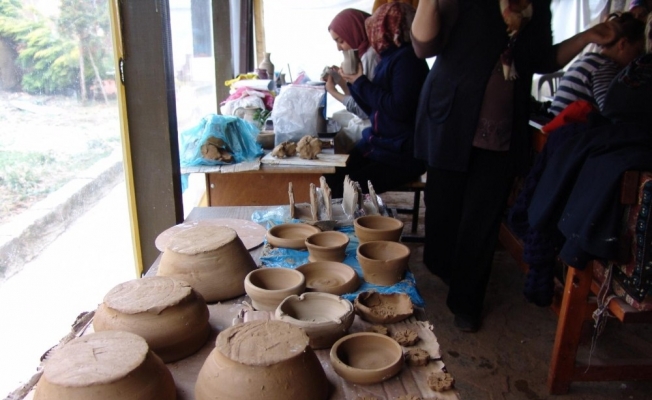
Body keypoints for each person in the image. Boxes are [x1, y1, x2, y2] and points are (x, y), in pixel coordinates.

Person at [411, 0, 617, 332]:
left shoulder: (535, 3)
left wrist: (588, 36)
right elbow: (423, 47)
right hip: (450, 121)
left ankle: (467, 303)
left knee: (482, 221)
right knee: (442, 217)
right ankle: (446, 269)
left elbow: (542, 59)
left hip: (503, 131)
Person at [325, 2, 428, 198]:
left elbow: (399, 108)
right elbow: (372, 110)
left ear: (389, 29)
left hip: (400, 155)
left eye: (376, 26)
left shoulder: (407, 60)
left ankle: (356, 217)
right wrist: (353, 83)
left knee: (342, 188)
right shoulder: (388, 57)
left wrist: (360, 82)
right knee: (330, 177)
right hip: (380, 145)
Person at [549, 12, 645, 116]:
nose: (638, 58)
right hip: (566, 125)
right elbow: (612, 111)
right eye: (638, 51)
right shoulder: (604, 67)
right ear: (623, 44)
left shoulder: (589, 60)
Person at [325, 9, 380, 119]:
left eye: (341, 41)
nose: (339, 48)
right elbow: (359, 97)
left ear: (354, 32)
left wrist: (333, 92)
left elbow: (364, 111)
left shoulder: (370, 57)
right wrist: (342, 80)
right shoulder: (364, 54)